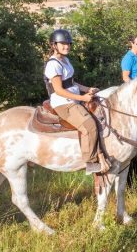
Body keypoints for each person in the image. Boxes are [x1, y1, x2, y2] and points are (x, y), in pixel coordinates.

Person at [44, 29, 106, 174]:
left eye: (68, 44)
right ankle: (90, 162)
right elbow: (59, 90)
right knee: (89, 126)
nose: (67, 46)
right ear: (54, 45)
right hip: (64, 103)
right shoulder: (53, 64)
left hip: (73, 99)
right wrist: (83, 98)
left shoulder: (65, 60)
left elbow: (71, 83)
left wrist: (87, 89)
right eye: (63, 43)